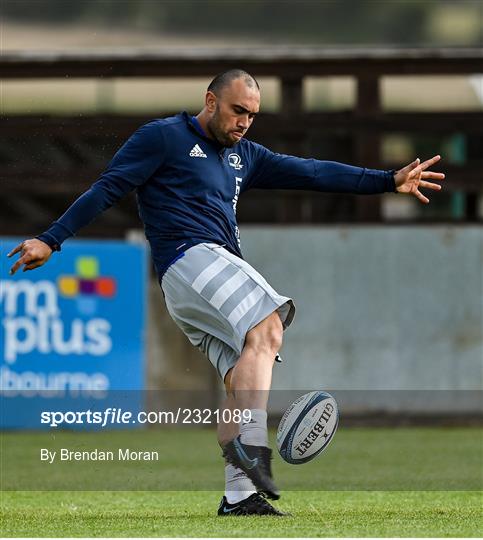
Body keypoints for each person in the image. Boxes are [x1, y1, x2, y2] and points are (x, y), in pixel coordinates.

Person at [8, 69, 444, 516]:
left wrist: (387, 180)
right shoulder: (163, 137)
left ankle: (240, 495)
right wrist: (52, 238)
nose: (244, 123)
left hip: (189, 283)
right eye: (238, 111)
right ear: (211, 101)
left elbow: (311, 172)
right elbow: (107, 188)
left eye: (253, 115)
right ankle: (253, 448)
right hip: (189, 256)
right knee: (268, 324)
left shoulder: (246, 156)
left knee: (241, 378)